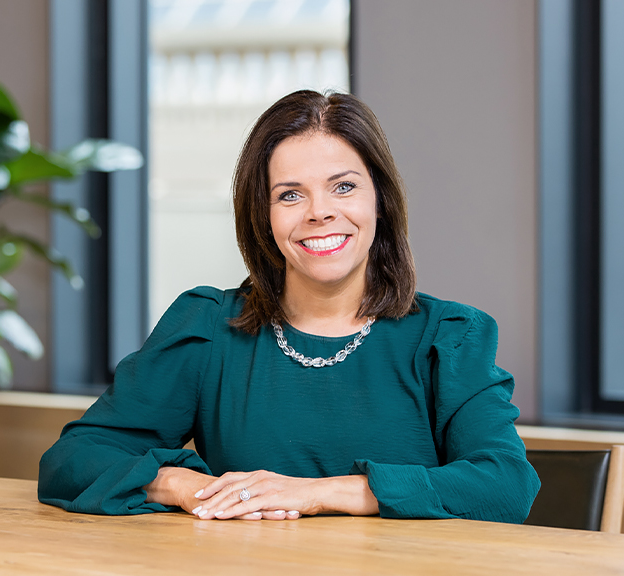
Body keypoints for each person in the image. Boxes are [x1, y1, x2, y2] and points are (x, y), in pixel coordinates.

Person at [38, 90, 540, 523]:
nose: (320, 212)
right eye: (290, 195)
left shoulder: (449, 336)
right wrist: (184, 488)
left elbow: (505, 485)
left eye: (343, 187)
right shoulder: (209, 327)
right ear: (263, 214)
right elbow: (71, 461)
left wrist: (319, 494)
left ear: (379, 202)